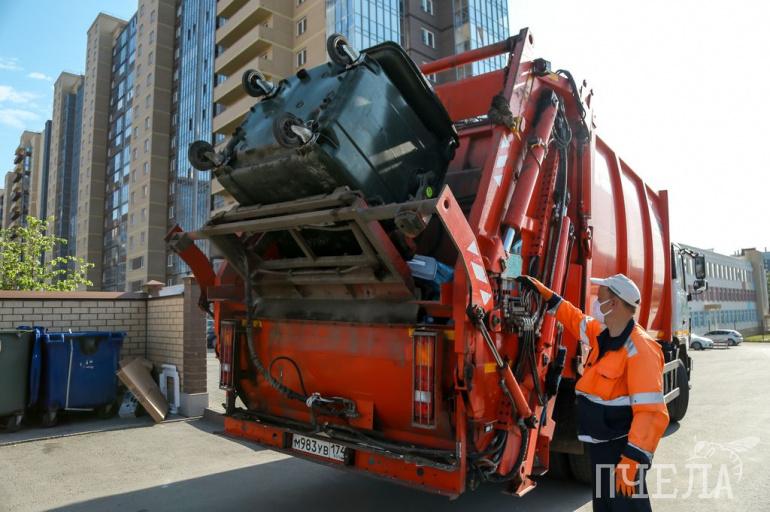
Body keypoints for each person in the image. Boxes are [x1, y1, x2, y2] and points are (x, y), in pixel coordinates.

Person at [516, 273, 669, 512]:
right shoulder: (604, 335)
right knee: (605, 506)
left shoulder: (641, 349)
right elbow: (576, 319)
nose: (596, 302)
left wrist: (634, 457)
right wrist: (550, 297)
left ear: (614, 303)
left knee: (627, 507)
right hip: (601, 446)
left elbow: (651, 412)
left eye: (600, 297)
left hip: (622, 450)